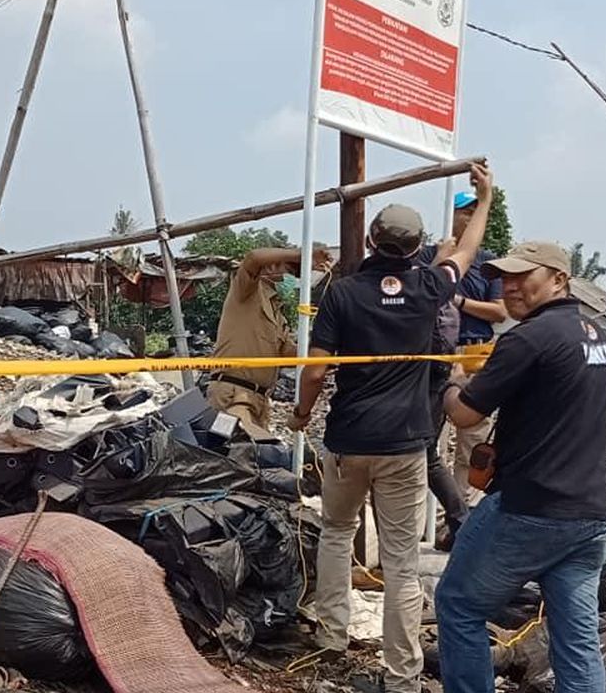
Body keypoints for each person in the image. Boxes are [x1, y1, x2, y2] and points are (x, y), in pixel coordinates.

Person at [289, 164, 494, 693]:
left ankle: (332, 637)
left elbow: (314, 371)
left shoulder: (342, 293)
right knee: (402, 563)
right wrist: (486, 199)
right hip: (405, 444)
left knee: (337, 533)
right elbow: (465, 255)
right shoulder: (430, 286)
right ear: (419, 246)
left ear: (370, 238)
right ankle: (402, 672)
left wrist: (300, 414)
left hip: (347, 440)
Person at [435, 241, 606, 693]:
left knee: (458, 604)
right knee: (577, 639)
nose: (511, 287)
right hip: (590, 515)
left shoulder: (529, 337)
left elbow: (465, 415)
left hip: (530, 509)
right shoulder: (595, 335)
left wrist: (454, 382)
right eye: (506, 278)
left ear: (558, 279)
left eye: (523, 276)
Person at [418, 192, 509, 532]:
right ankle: (438, 519)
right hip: (437, 356)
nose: (470, 218)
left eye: (475, 212)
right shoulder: (431, 258)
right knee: (430, 443)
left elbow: (499, 311)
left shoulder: (488, 264)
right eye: (464, 212)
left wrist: (458, 299)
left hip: (474, 355)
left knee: (471, 441)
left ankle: (463, 518)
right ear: (450, 215)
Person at [207, 245, 330, 440]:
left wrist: (328, 355)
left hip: (259, 400)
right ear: (271, 266)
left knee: (252, 459)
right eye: (290, 271)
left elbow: (290, 353)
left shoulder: (276, 312)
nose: (291, 278)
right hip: (233, 394)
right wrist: (302, 254)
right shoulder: (247, 293)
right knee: (246, 451)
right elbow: (253, 258)